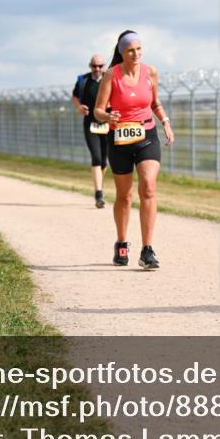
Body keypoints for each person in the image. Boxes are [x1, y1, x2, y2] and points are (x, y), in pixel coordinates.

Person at [93, 31, 174, 269]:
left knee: (148, 186)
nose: (136, 54)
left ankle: (147, 250)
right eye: (131, 50)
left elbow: (155, 103)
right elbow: (98, 110)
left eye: (139, 49)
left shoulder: (150, 72)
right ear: (122, 52)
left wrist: (165, 122)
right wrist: (107, 116)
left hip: (147, 135)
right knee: (125, 196)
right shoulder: (111, 75)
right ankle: (121, 242)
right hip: (119, 139)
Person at [72, 54, 110, 208]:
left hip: (107, 124)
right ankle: (98, 194)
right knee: (96, 157)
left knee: (104, 161)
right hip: (90, 124)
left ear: (104, 66)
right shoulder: (83, 80)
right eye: (95, 66)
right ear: (90, 66)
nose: (97, 69)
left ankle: (99, 185)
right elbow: (75, 96)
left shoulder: (109, 78)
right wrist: (79, 107)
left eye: (100, 66)